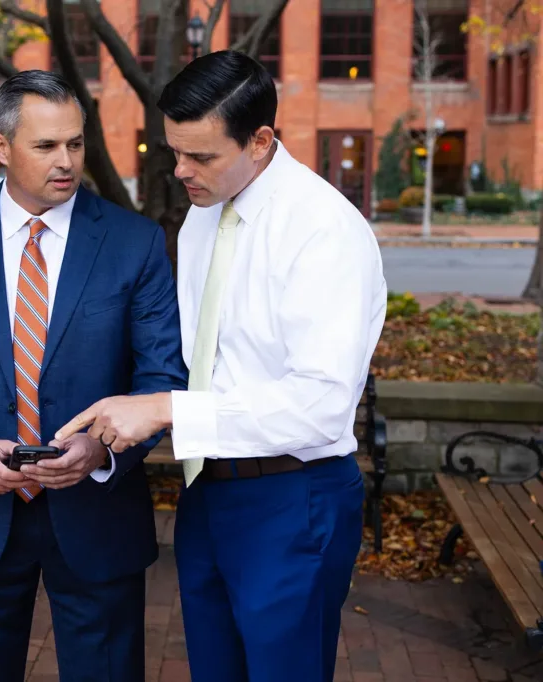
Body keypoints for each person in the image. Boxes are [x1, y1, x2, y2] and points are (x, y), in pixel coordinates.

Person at [55, 51, 388, 682]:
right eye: (174, 151)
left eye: (200, 156)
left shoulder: (325, 231)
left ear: (260, 141)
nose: (180, 170)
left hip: (294, 496)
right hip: (207, 490)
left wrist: (167, 410)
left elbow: (320, 406)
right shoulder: (203, 216)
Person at [0, 70, 187, 682]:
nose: (66, 161)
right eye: (46, 145)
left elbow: (161, 374)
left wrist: (101, 449)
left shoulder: (133, 243)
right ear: (2, 147)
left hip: (99, 513)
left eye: (75, 143)